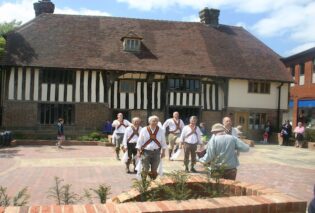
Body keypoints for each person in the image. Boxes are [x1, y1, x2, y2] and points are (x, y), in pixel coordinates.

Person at [136, 115, 167, 180]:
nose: (155, 122)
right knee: (145, 169)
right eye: (153, 121)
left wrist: (163, 152)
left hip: (156, 152)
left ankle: (152, 182)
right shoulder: (144, 130)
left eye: (156, 121)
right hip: (146, 152)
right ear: (149, 122)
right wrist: (138, 152)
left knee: (154, 170)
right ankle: (144, 182)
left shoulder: (161, 130)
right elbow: (139, 141)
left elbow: (163, 142)